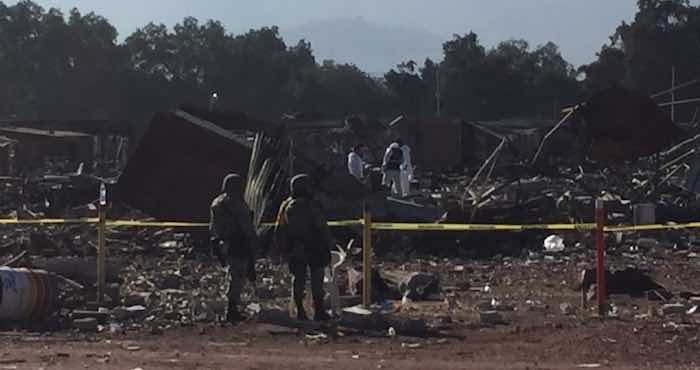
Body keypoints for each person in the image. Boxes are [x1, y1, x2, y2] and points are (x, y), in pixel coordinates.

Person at [274, 174, 333, 322]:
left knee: (298, 280)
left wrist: (283, 248)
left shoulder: (286, 205)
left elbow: (279, 229)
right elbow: (321, 226)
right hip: (314, 247)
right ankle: (319, 311)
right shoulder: (311, 204)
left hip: (296, 248)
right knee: (317, 280)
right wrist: (327, 244)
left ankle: (300, 310)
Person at [209, 173, 258, 323]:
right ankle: (231, 310)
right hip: (238, 242)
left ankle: (231, 308)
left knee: (232, 274)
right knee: (238, 276)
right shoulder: (235, 202)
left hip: (223, 242)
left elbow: (213, 227)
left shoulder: (218, 202)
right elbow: (246, 226)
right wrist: (253, 242)